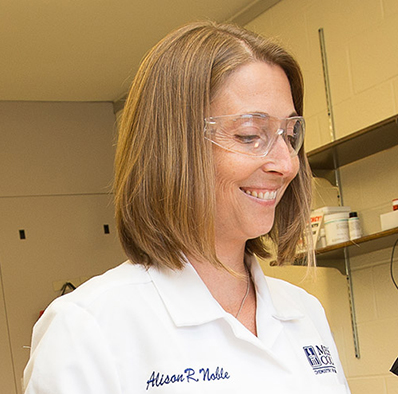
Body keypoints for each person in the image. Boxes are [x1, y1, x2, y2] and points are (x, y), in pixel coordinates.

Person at [23, 21, 351, 393]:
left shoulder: (304, 311)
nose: (287, 163)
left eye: (290, 135)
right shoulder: (89, 326)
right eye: (249, 135)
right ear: (173, 147)